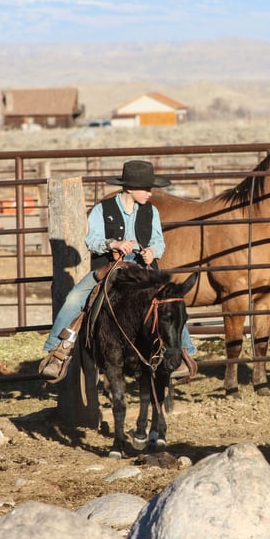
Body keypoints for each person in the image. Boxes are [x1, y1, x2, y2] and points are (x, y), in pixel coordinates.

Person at [39, 159, 197, 382]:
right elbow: (92, 240)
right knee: (76, 298)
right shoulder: (103, 210)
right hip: (109, 267)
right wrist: (114, 244)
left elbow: (158, 242)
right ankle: (57, 351)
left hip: (143, 269)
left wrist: (152, 252)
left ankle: (183, 353)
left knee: (170, 302)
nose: (150, 193)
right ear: (130, 188)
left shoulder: (151, 212)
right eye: (145, 188)